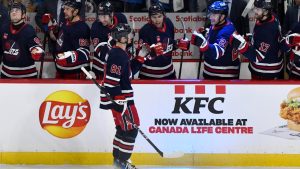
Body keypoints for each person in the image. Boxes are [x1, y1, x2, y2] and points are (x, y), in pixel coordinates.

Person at [100, 23, 149, 169]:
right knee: (132, 128)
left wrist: (139, 58)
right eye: (128, 34)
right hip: (122, 99)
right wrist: (119, 102)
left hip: (119, 98)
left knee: (122, 129)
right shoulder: (117, 54)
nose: (131, 36)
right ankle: (123, 163)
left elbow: (126, 75)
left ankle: (118, 162)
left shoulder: (120, 53)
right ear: (121, 38)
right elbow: (111, 81)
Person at [229, 0, 290, 80]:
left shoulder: (267, 30)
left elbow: (257, 56)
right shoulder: (272, 17)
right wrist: (250, 38)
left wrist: (241, 45)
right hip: (270, 64)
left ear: (266, 12)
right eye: (255, 8)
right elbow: (267, 40)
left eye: (258, 9)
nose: (254, 11)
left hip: (265, 71)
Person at [138, 2, 189, 79]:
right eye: (154, 17)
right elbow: (140, 54)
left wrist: (177, 44)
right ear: (149, 17)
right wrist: (151, 52)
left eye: (159, 16)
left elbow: (169, 44)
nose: (157, 20)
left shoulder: (169, 24)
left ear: (164, 15)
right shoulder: (144, 31)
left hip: (169, 73)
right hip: (148, 75)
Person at [190, 1, 238, 79]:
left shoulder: (227, 31)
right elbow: (216, 37)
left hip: (223, 75)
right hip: (213, 71)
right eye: (211, 14)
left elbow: (218, 51)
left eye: (214, 14)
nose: (211, 17)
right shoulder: (217, 24)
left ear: (222, 16)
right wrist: (207, 33)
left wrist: (203, 43)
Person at [0, 2, 44, 78]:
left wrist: (37, 51)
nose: (13, 12)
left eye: (17, 10)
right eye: (12, 10)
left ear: (23, 15)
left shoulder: (29, 30)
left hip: (26, 77)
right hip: (6, 75)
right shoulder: (4, 28)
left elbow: (36, 47)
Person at [51, 0, 90, 79]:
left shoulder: (82, 28)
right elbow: (62, 39)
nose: (64, 11)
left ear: (76, 11)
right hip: (61, 70)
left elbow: (85, 53)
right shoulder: (65, 22)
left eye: (68, 9)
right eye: (64, 8)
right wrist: (55, 30)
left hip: (75, 72)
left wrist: (68, 57)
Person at [91, 0, 127, 79]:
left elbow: (126, 43)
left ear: (111, 14)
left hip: (119, 68)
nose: (102, 20)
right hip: (100, 69)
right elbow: (101, 52)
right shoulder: (96, 27)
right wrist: (113, 43)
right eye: (100, 16)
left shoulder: (121, 18)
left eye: (104, 16)